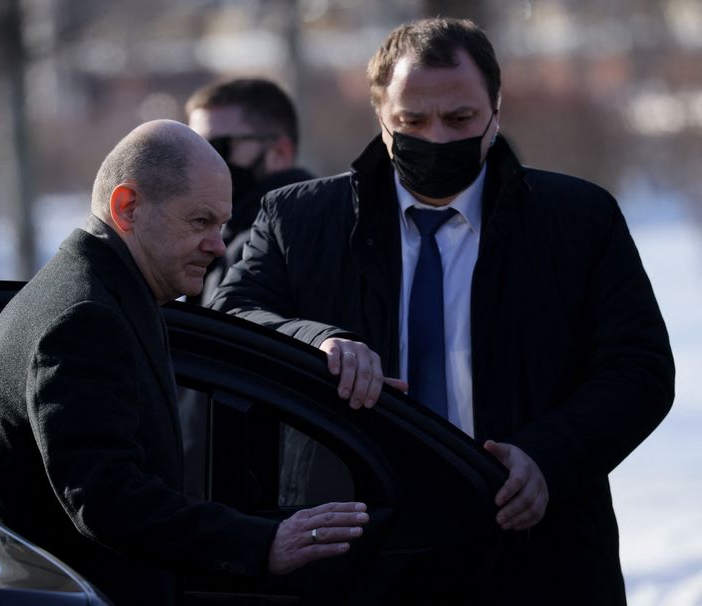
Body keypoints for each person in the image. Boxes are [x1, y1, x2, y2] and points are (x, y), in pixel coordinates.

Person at [210, 18, 675, 605]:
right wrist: (315, 340)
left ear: (496, 112)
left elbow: (639, 370)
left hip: (537, 548)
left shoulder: (579, 221)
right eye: (412, 121)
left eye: (459, 119)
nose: (435, 138)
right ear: (382, 119)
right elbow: (232, 319)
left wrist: (550, 456)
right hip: (358, 551)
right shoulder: (299, 220)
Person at [0, 120, 369, 606]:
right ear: (126, 207)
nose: (218, 244)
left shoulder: (96, 293)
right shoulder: (85, 316)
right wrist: (261, 543)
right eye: (200, 221)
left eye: (220, 224)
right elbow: (106, 499)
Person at [185, 77, 314, 305]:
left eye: (217, 147)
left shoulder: (293, 239)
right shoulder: (220, 235)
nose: (203, 162)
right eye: (193, 149)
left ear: (279, 153)